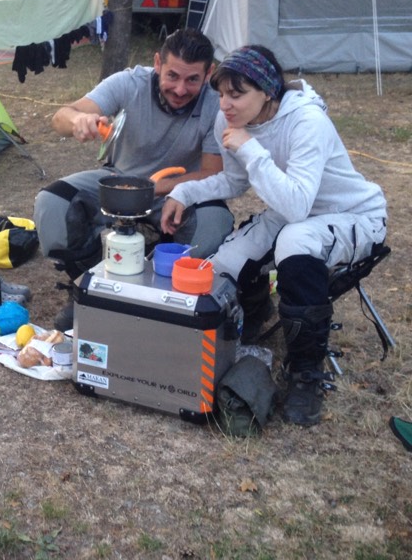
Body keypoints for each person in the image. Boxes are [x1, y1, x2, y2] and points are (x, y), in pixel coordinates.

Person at [160, 45, 387, 426]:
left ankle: (306, 374)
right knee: (222, 266)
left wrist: (251, 149)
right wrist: (184, 192)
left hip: (353, 214)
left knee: (295, 242)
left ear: (267, 91)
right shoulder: (228, 120)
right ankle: (252, 312)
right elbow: (235, 181)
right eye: (221, 94)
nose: (225, 105)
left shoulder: (306, 121)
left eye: (236, 94)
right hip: (291, 211)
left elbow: (298, 206)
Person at [34, 29, 234, 330]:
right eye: (172, 76)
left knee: (213, 225)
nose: (180, 89)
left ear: (209, 74)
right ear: (158, 63)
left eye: (192, 79)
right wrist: (78, 120)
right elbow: (60, 117)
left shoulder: (215, 105)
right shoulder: (128, 83)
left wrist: (159, 188)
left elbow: (211, 173)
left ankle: (167, 300)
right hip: (119, 179)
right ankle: (90, 288)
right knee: (53, 203)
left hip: (180, 192)